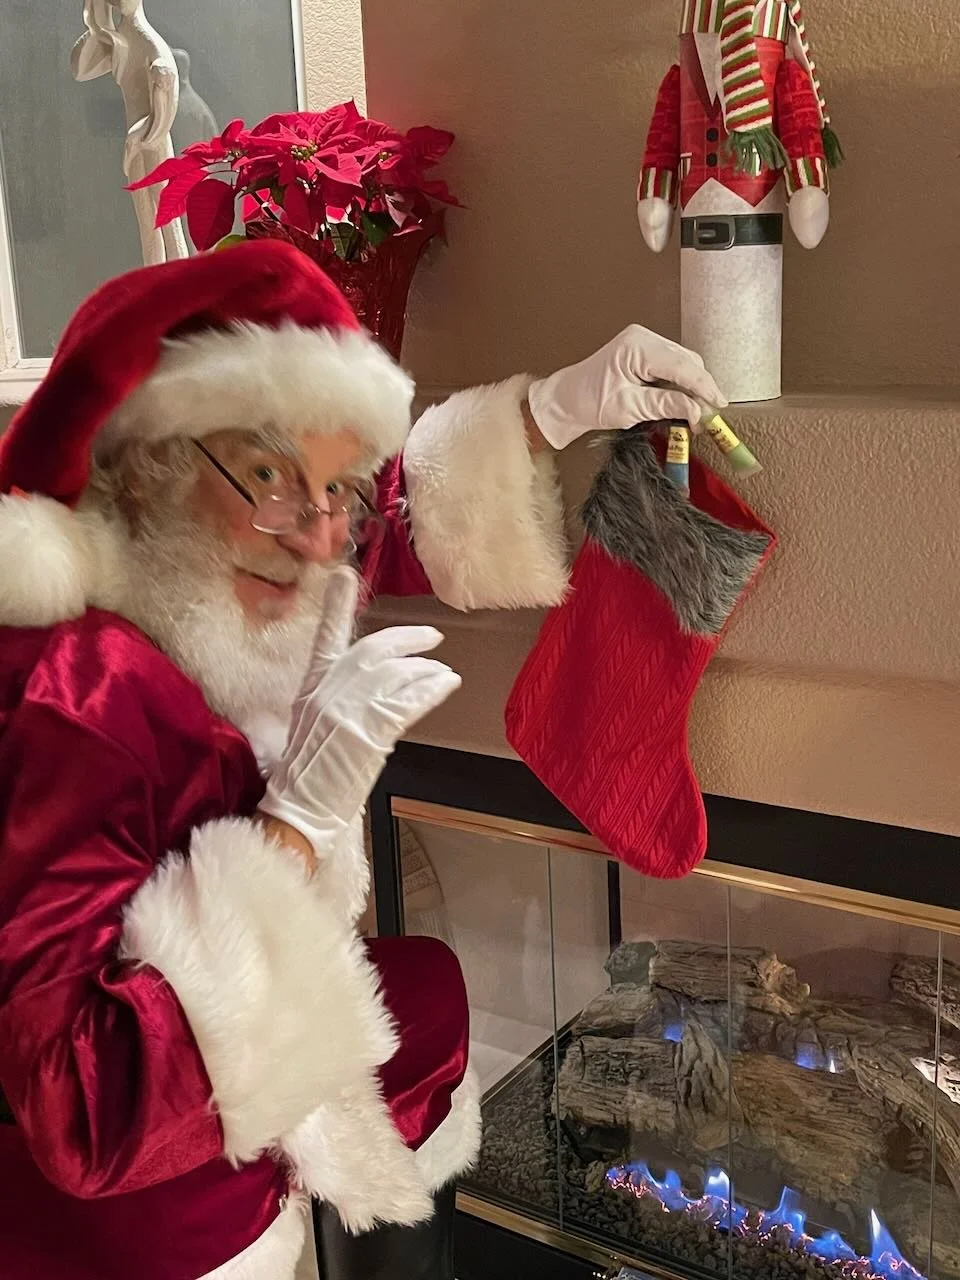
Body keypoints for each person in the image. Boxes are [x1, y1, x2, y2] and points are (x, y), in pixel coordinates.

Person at [0, 239, 723, 1280]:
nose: (319, 534)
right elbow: (83, 1112)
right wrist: (292, 828)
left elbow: (366, 542)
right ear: (144, 468)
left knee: (421, 1000)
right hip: (148, 1242)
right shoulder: (74, 696)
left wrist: (549, 410)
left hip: (237, 1154)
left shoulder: (208, 585)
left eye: (338, 485)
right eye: (270, 478)